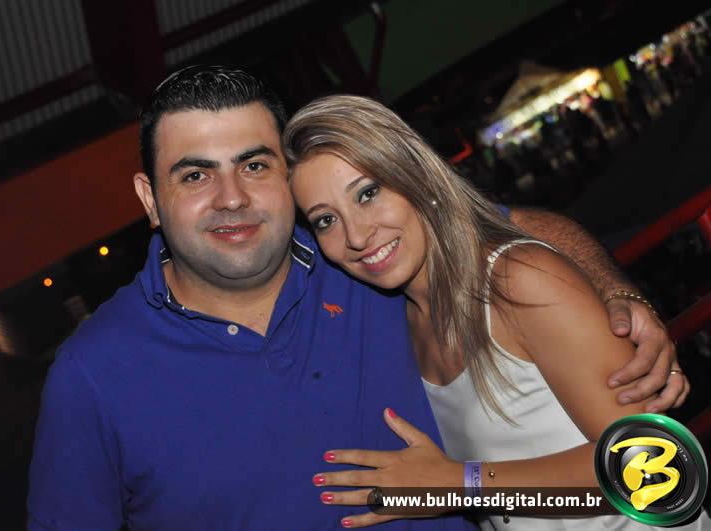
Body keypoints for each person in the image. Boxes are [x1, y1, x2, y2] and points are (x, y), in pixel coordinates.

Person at [27, 67, 685, 530]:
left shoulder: (370, 263)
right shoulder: (92, 375)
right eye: (195, 174)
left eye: (254, 165)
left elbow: (516, 231)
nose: (232, 197)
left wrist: (616, 293)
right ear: (150, 199)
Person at [284, 94, 703, 529]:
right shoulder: (404, 322)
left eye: (368, 193)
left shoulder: (517, 279)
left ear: (417, 178)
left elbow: (659, 469)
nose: (356, 235)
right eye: (325, 220)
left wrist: (462, 485)